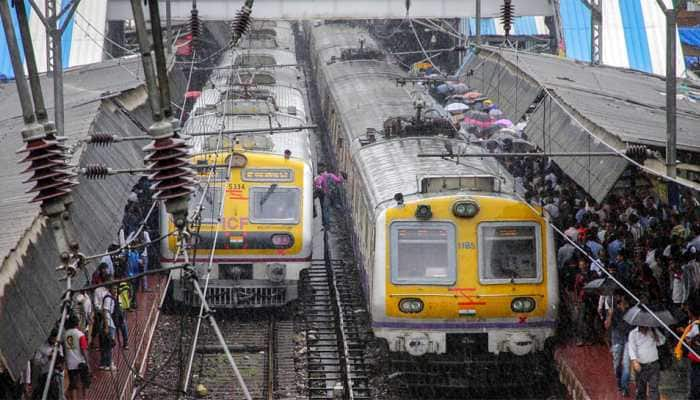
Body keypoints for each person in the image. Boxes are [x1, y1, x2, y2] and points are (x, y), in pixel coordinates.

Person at [606, 295, 633, 397]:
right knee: (617, 364)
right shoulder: (615, 311)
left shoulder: (631, 311)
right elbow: (607, 325)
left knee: (626, 364)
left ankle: (625, 387)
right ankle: (619, 380)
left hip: (627, 339)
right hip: (617, 339)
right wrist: (610, 315)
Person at [628, 325, 666, 400]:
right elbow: (632, 348)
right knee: (641, 390)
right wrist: (635, 361)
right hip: (640, 366)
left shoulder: (653, 330)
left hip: (653, 365)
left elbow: (662, 341)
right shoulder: (633, 333)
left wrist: (656, 335)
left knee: (654, 389)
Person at [675, 294, 700, 399]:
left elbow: (689, 341)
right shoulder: (693, 324)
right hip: (696, 360)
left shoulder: (695, 326)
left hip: (697, 361)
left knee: (695, 384)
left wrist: (686, 336)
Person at [31, 328, 64, 400]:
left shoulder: (59, 346)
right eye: (53, 338)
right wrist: (48, 358)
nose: (54, 340)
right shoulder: (42, 347)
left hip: (56, 376)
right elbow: (36, 362)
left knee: (59, 395)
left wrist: (61, 364)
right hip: (44, 377)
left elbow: (61, 358)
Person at [63, 316, 90, 400]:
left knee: (73, 384)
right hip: (81, 362)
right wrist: (88, 362)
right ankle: (84, 398)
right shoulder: (80, 335)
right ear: (77, 323)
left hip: (70, 363)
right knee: (85, 382)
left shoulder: (65, 334)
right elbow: (84, 350)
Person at [99, 286, 117, 371]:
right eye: (114, 289)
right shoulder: (108, 299)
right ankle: (108, 364)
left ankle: (103, 363)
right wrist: (106, 326)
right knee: (109, 344)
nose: (116, 291)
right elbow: (105, 311)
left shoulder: (109, 297)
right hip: (108, 324)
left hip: (108, 322)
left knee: (105, 345)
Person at [109, 285, 128, 350]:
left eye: (116, 289)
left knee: (124, 329)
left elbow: (121, 306)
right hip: (113, 317)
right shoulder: (109, 298)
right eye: (113, 289)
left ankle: (126, 343)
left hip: (120, 316)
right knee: (113, 331)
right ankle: (112, 344)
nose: (115, 290)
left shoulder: (118, 296)